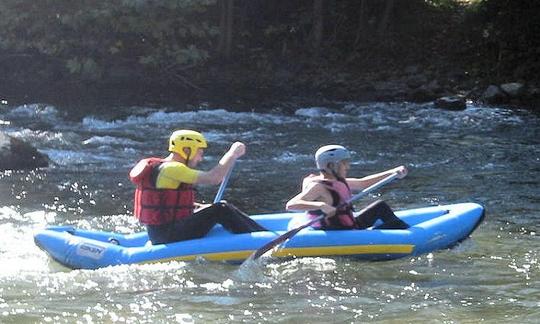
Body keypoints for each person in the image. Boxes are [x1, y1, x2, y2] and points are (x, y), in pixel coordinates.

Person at [129, 129, 266, 244]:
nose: (200, 158)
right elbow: (214, 178)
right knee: (220, 209)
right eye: (199, 153)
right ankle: (263, 240)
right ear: (186, 150)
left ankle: (262, 234)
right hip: (169, 236)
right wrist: (232, 154)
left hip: (161, 233)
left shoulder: (162, 167)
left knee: (219, 206)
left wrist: (200, 208)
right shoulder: (172, 169)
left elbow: (169, 203)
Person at [285, 145, 409, 230]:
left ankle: (398, 230)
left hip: (348, 223)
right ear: (331, 165)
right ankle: (403, 234)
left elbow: (363, 183)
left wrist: (393, 172)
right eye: (344, 164)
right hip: (338, 229)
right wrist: (321, 206)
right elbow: (291, 205)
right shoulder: (318, 186)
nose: (347, 167)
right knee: (392, 219)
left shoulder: (336, 181)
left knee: (380, 207)